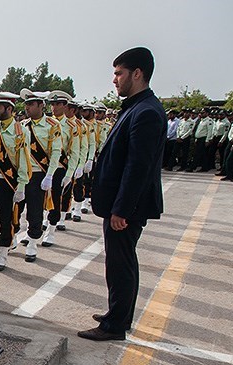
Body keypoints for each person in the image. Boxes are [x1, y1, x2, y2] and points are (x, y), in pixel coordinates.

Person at [78, 46, 165, 341]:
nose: (114, 79)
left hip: (127, 208)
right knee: (122, 261)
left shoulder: (146, 112)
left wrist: (122, 210)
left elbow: (137, 168)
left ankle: (114, 325)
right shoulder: (138, 107)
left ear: (137, 73)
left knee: (120, 263)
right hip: (122, 204)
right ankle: (119, 314)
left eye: (119, 73)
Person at [0, 91, 29, 272]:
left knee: (5, 219)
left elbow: (24, 160)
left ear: (9, 109)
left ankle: (2, 253)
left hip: (8, 183)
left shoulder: (20, 131)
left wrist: (22, 185)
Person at [18, 88, 61, 263]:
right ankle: (13, 236)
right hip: (22, 174)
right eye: (26, 104)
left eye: (30, 104)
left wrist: (50, 175)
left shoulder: (52, 125)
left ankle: (33, 243)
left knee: (35, 211)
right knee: (17, 207)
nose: (27, 108)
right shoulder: (22, 125)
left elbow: (55, 152)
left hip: (38, 174)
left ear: (40, 105)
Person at [42, 90, 80, 248]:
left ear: (65, 106)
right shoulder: (45, 122)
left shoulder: (72, 126)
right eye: (52, 104)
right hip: (42, 167)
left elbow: (75, 151)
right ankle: (34, 230)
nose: (54, 108)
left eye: (58, 104)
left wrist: (70, 174)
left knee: (55, 200)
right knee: (38, 200)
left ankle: (50, 231)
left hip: (59, 168)